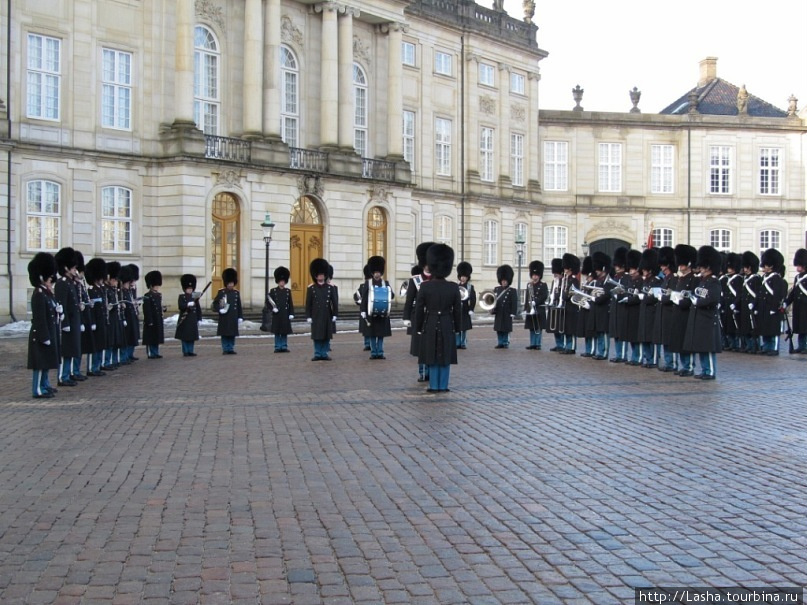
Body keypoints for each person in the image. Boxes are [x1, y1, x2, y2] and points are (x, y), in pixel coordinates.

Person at [414, 243, 462, 393]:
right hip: (447, 322)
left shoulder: (425, 287)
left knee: (433, 356)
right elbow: (457, 311)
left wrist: (419, 326)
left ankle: (434, 385)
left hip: (431, 322)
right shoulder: (453, 287)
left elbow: (419, 309)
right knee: (445, 356)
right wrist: (458, 328)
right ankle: (443, 385)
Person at [682, 246, 723, 379]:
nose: (701, 269)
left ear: (709, 267)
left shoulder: (714, 282)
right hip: (700, 317)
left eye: (703, 267)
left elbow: (713, 299)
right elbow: (697, 294)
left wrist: (697, 302)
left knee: (708, 348)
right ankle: (705, 370)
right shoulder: (703, 282)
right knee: (702, 346)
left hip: (708, 318)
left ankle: (710, 371)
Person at [27, 252, 61, 399]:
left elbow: (51, 312)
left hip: (49, 331)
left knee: (46, 362)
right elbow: (40, 318)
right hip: (41, 334)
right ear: (42, 277)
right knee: (40, 365)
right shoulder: (39, 294)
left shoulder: (47, 293)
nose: (50, 281)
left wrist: (60, 313)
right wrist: (44, 336)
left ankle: (45, 385)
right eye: (49, 279)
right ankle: (37, 389)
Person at [403, 242, 435, 381]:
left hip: (433, 316)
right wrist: (406, 317)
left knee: (432, 345)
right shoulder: (415, 280)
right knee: (421, 346)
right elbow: (409, 300)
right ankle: (423, 372)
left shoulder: (436, 279)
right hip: (419, 316)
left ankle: (431, 371)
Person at [54, 247, 82, 387]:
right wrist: (64, 324)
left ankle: (68, 374)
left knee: (72, 350)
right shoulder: (62, 283)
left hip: (74, 321)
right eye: (73, 267)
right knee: (66, 351)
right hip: (67, 323)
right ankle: (62, 376)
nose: (75, 269)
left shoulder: (71, 283)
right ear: (66, 267)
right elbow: (61, 305)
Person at [669, 244, 699, 376]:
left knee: (687, 342)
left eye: (683, 263)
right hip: (678, 312)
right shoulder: (680, 278)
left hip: (687, 312)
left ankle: (690, 366)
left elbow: (692, 296)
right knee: (679, 341)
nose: (680, 266)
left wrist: (682, 301)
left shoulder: (694, 279)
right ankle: (684, 365)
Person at [360, 255, 393, 359]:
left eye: (378, 272)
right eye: (375, 272)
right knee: (373, 334)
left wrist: (388, 291)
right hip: (371, 312)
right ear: (372, 273)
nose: (377, 274)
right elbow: (364, 298)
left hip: (382, 313)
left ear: (381, 272)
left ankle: (380, 352)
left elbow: (391, 295)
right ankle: (374, 352)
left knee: (381, 334)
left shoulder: (385, 283)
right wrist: (363, 310)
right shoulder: (368, 283)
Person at [306, 258, 338, 360]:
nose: (320, 276)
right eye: (318, 275)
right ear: (315, 276)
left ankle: (324, 354)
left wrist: (335, 314)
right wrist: (308, 316)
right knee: (317, 336)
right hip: (316, 315)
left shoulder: (330, 288)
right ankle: (317, 353)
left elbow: (334, 302)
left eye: (322, 274)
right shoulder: (311, 288)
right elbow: (308, 304)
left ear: (325, 275)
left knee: (326, 336)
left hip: (327, 314)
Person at [756, 248, 786, 356]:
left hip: (772, 307)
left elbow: (778, 295)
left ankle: (774, 348)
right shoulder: (764, 277)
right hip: (764, 307)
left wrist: (774, 307)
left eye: (766, 265)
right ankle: (766, 346)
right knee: (765, 328)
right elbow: (761, 293)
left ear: (772, 266)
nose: (764, 267)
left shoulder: (776, 278)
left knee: (773, 330)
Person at [637, 248, 662, 368]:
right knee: (645, 337)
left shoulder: (657, 281)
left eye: (645, 269)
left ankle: (654, 360)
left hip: (652, 311)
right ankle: (648, 358)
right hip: (644, 311)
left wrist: (644, 298)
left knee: (652, 338)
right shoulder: (646, 281)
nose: (643, 271)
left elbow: (655, 297)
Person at [85, 258, 109, 377]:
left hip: (102, 320)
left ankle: (97, 365)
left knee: (100, 344)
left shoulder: (101, 289)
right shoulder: (91, 290)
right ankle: (91, 368)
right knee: (94, 346)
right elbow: (91, 308)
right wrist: (92, 322)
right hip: (95, 321)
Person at [588, 251, 613, 361]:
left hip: (604, 309)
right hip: (597, 309)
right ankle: (600, 351)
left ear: (603, 268)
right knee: (599, 332)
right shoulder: (598, 281)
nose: (596, 272)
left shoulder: (608, 280)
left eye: (598, 270)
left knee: (603, 332)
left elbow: (606, 294)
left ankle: (604, 352)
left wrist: (596, 298)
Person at [213, 268, 243, 354]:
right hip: (225, 317)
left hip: (233, 316)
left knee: (232, 334)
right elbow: (215, 304)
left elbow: (238, 306)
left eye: (232, 283)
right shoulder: (221, 292)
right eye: (229, 283)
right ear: (226, 283)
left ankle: (231, 348)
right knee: (225, 334)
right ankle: (225, 348)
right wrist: (220, 310)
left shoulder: (236, 293)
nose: (230, 285)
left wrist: (240, 317)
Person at [784, 249, 807, 353]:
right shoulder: (797, 278)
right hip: (799, 307)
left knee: (805, 327)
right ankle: (801, 346)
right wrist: (786, 302)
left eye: (799, 265)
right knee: (800, 327)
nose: (797, 267)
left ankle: (804, 346)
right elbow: (793, 293)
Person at [739, 251, 761, 354]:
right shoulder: (745, 278)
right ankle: (748, 345)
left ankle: (753, 346)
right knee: (745, 327)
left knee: (752, 329)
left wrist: (754, 303)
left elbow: (757, 293)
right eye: (744, 267)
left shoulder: (756, 278)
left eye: (747, 267)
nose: (745, 269)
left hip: (752, 306)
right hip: (745, 306)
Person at [104, 261, 125, 371]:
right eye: (114, 280)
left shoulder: (113, 290)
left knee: (116, 341)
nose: (116, 282)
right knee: (110, 342)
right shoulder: (106, 290)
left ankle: (114, 360)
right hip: (110, 319)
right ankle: (107, 361)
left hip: (116, 318)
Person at [268, 266, 294, 353]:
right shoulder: (273, 291)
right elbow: (268, 302)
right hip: (277, 314)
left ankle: (284, 346)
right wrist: (273, 309)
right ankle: (277, 346)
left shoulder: (287, 291)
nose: (282, 283)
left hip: (285, 314)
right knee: (277, 331)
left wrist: (291, 313)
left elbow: (290, 303)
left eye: (283, 281)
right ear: (278, 281)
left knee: (284, 331)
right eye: (280, 281)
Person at [491, 264, 518, 349]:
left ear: (508, 281)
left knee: (506, 329)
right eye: (502, 280)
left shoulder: (512, 291)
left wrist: (513, 312)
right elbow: (492, 300)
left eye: (505, 281)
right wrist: (491, 308)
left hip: (507, 312)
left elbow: (514, 302)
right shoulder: (496, 289)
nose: (504, 282)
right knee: (499, 329)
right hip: (499, 312)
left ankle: (505, 342)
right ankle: (500, 342)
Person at [175, 273, 202, 357]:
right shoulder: (182, 297)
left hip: (192, 320)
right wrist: (187, 305)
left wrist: (199, 318)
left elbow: (198, 308)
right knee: (185, 337)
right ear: (185, 289)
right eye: (188, 289)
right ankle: (185, 351)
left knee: (192, 337)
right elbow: (180, 306)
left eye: (191, 288)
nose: (190, 290)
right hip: (185, 320)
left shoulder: (195, 297)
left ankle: (191, 350)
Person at [721, 252, 744, 351]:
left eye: (730, 267)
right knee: (726, 326)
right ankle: (729, 343)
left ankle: (735, 344)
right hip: (726, 304)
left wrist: (735, 304)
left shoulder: (738, 279)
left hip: (734, 305)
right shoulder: (726, 278)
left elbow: (739, 293)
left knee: (734, 327)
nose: (728, 269)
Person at [119, 264, 141, 364]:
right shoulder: (121, 291)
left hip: (132, 315)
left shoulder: (130, 291)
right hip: (126, 316)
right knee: (126, 337)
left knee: (133, 335)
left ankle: (130, 354)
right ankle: (124, 356)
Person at [559, 253, 580, 354]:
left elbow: (573, 292)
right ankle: (567, 346)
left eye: (566, 268)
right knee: (566, 328)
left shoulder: (574, 280)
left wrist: (565, 296)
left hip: (572, 307)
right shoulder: (566, 279)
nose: (564, 270)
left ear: (570, 268)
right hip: (566, 307)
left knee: (571, 329)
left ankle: (571, 347)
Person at [523, 260, 548, 350]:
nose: (535, 277)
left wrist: (536, 301)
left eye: (536, 275)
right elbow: (527, 297)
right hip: (531, 309)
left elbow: (544, 296)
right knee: (532, 328)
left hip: (539, 309)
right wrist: (526, 308)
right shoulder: (529, 285)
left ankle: (538, 344)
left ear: (539, 275)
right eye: (533, 275)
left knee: (538, 328)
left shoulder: (543, 285)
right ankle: (532, 343)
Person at [142, 270, 165, 359]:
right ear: (151, 285)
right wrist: (149, 320)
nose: (157, 287)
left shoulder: (159, 295)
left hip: (157, 318)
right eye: (155, 285)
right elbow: (147, 309)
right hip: (151, 319)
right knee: (151, 337)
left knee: (156, 337)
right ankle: (151, 352)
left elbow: (159, 306)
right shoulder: (147, 295)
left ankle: (156, 352)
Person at [456, 261, 476, 349]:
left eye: (464, 277)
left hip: (465, 309)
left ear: (467, 278)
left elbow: (473, 298)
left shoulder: (470, 287)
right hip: (457, 309)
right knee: (457, 328)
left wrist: (471, 309)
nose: (463, 278)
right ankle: (457, 343)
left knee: (464, 328)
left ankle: (463, 343)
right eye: (462, 277)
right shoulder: (456, 286)